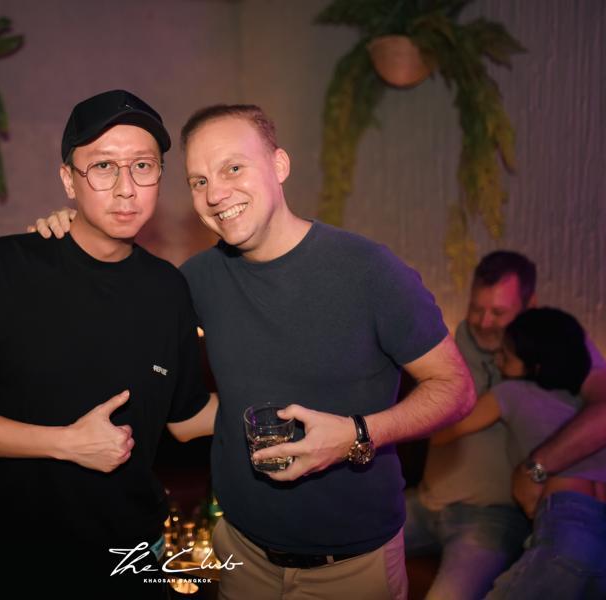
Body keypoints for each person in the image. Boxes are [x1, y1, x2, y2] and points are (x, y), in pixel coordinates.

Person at [31, 103, 475, 599]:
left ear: (279, 165)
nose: (215, 193)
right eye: (199, 181)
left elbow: (456, 387)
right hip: (240, 553)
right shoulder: (198, 280)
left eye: (233, 169)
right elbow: (120, 316)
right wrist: (74, 235)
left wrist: (357, 434)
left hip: (351, 565)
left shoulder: (368, 271)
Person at [0, 90, 217, 599]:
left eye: (143, 166)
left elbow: (185, 418)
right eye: (103, 166)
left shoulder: (168, 289)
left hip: (135, 555)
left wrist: (287, 405)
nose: (126, 188)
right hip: (26, 561)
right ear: (67, 180)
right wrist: (66, 443)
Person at [405, 251, 606, 599]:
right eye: (476, 309)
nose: (484, 322)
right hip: (427, 503)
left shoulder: (557, 346)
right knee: (341, 540)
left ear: (529, 305)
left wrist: (535, 468)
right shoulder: (461, 340)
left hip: (495, 521)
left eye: (498, 313)